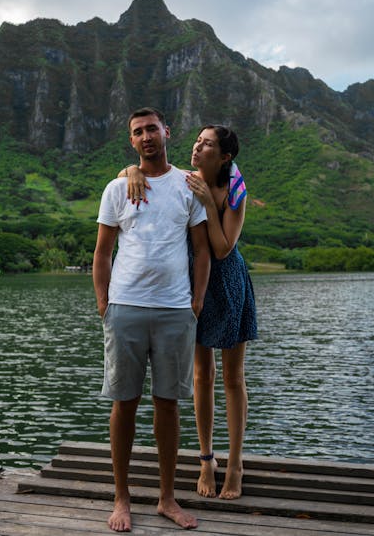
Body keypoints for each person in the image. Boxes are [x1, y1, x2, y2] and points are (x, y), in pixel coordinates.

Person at [124, 125, 257, 500]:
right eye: (197, 141)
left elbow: (223, 248)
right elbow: (127, 175)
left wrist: (206, 205)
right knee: (201, 374)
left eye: (208, 144)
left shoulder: (235, 188)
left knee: (232, 377)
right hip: (193, 281)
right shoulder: (183, 178)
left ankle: (235, 464)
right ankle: (206, 460)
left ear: (225, 156)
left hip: (228, 283)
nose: (198, 147)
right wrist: (133, 171)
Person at [93, 107, 210, 533]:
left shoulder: (186, 185)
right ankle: (121, 497)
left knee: (168, 403)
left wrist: (195, 301)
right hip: (125, 309)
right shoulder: (117, 188)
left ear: (166, 132)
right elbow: (103, 251)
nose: (146, 137)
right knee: (125, 402)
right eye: (138, 132)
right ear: (132, 141)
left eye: (152, 129)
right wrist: (105, 303)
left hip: (175, 311)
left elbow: (201, 250)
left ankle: (166, 498)